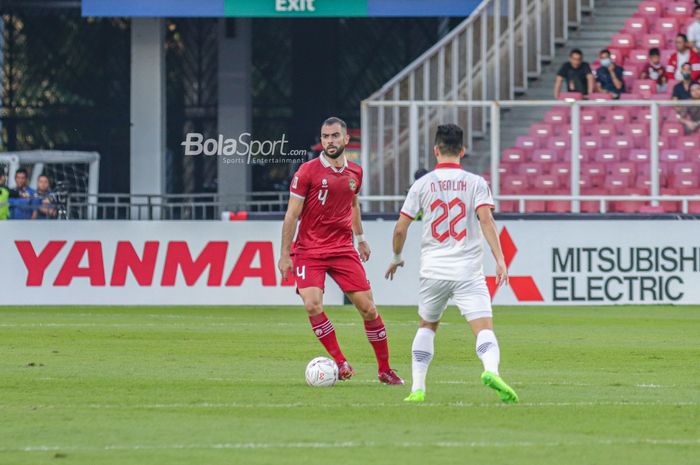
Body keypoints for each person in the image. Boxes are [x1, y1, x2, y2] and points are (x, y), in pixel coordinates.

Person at [385, 124, 519, 404]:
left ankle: (418, 389)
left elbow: (400, 228)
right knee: (483, 328)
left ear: (436, 150)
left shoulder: (422, 185)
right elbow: (486, 221)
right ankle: (491, 371)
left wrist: (397, 257)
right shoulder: (477, 183)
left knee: (427, 326)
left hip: (433, 271)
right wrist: (500, 260)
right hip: (468, 271)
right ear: (462, 150)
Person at [278, 116, 403, 385]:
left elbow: (353, 204)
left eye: (335, 136)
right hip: (309, 249)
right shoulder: (307, 172)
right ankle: (340, 361)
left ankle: (385, 369)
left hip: (342, 248)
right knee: (312, 304)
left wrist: (360, 238)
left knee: (368, 309)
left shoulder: (355, 172)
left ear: (346, 139)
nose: (330, 141)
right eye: (325, 136)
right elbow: (291, 215)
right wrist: (285, 254)